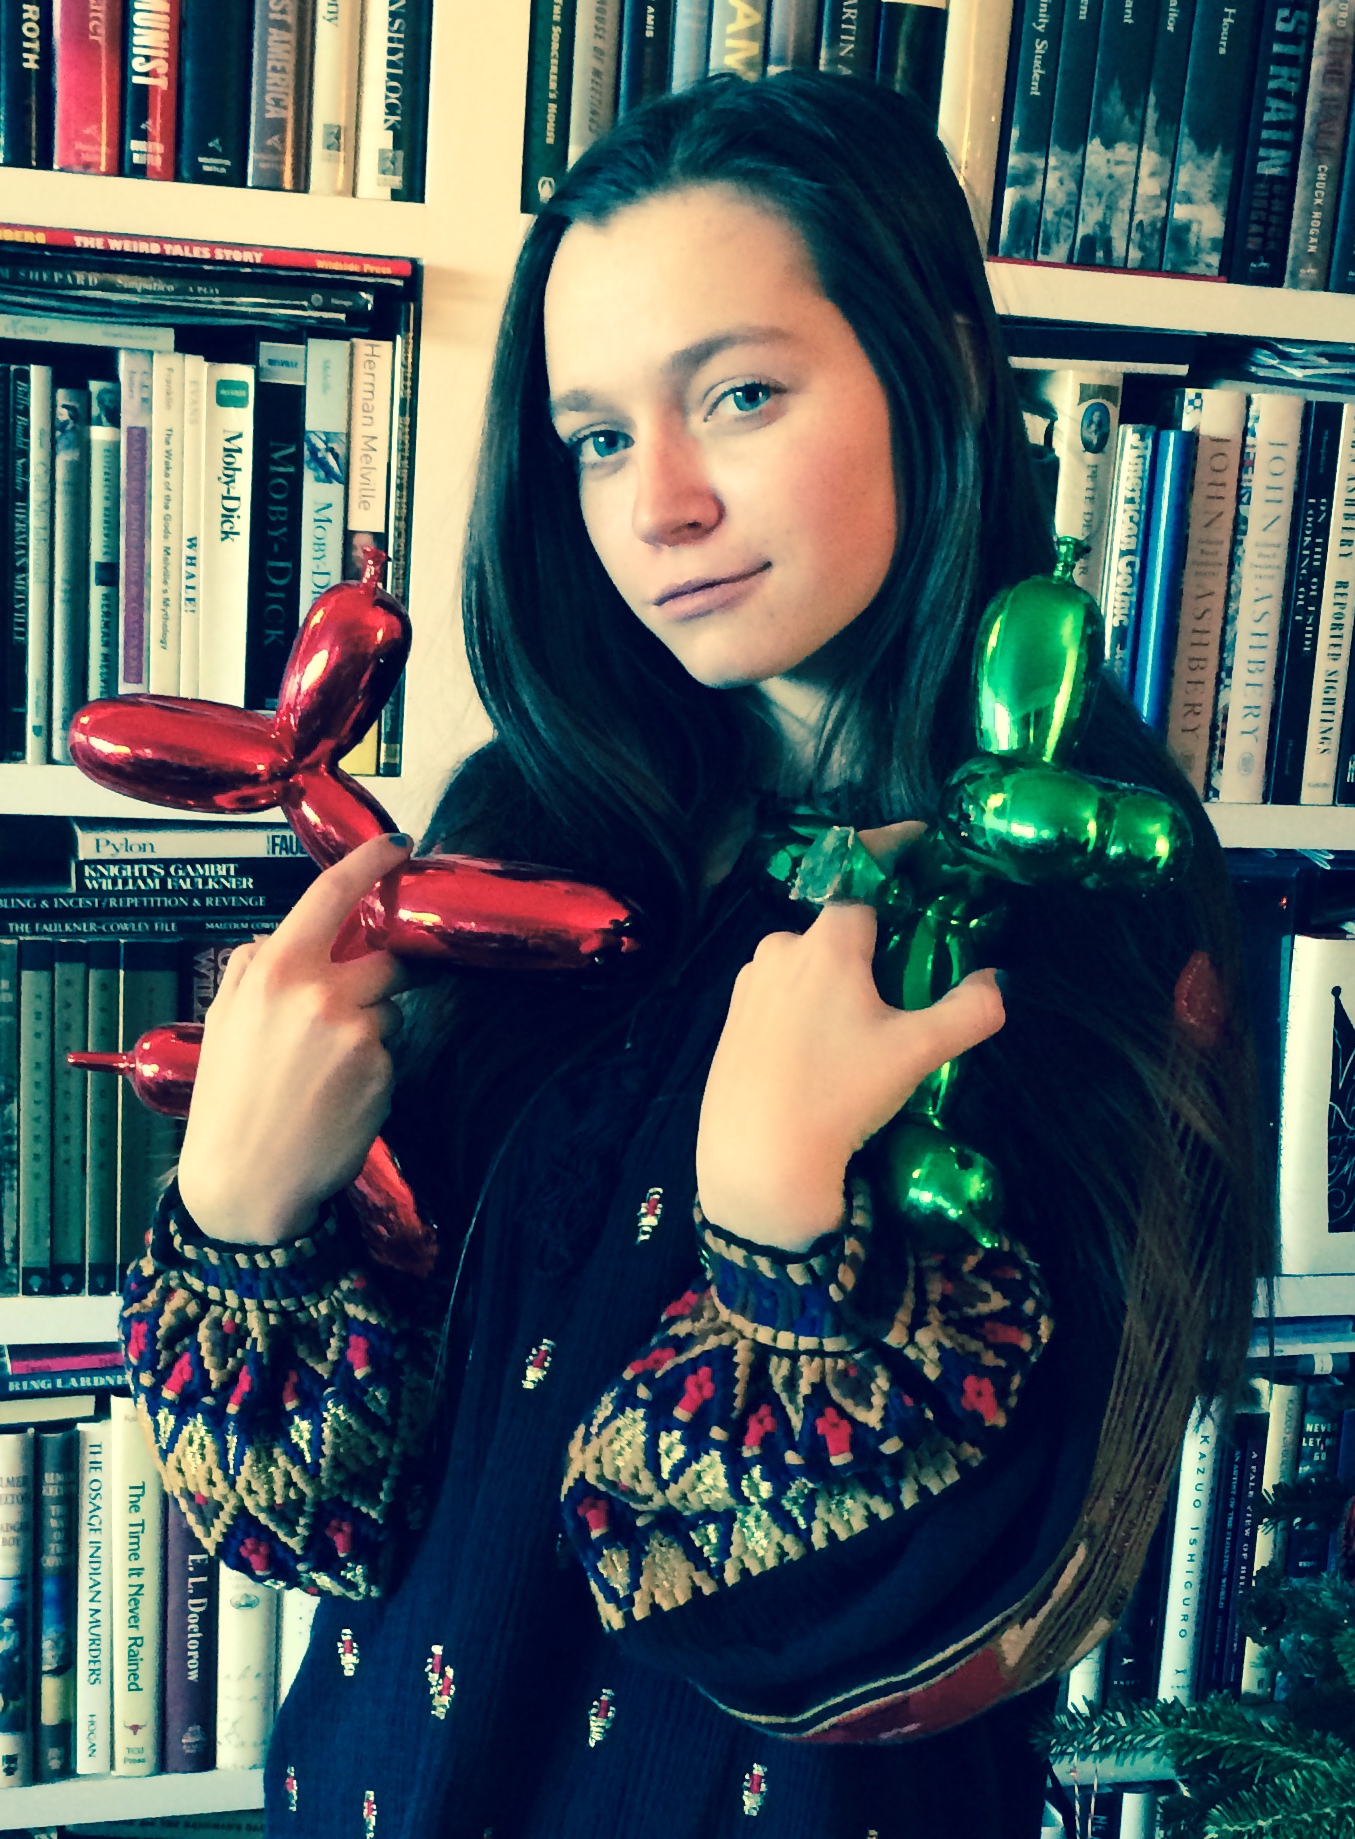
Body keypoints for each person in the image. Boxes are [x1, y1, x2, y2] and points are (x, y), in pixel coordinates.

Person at [120, 73, 1267, 1839]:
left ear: (942, 372)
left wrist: (781, 1229)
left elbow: (850, 1635)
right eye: (594, 436)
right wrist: (243, 1215)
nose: (657, 504)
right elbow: (317, 1527)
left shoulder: (1078, 896)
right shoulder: (527, 833)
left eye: (738, 395)